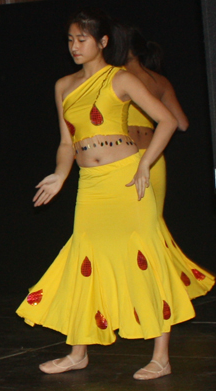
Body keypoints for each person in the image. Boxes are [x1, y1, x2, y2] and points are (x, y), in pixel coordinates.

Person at [16, 9, 214, 380]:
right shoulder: (63, 85)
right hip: (91, 185)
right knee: (84, 259)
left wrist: (144, 164)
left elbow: (168, 121)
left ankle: (161, 356)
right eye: (71, 40)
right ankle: (78, 352)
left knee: (146, 256)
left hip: (126, 179)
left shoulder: (120, 79)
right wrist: (61, 175)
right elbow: (65, 141)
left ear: (103, 42)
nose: (75, 46)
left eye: (83, 39)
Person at [125, 27, 214, 299]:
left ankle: (146, 290)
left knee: (133, 226)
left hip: (129, 158)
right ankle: (157, 289)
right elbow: (183, 123)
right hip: (154, 157)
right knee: (151, 225)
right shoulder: (159, 81)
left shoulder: (119, 78)